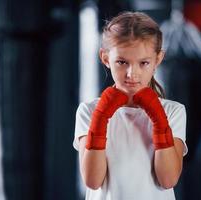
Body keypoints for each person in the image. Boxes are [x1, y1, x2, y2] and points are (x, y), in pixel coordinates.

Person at [73, 11, 187, 200]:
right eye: (122, 62)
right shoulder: (89, 111)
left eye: (143, 63)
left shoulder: (172, 111)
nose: (131, 73)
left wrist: (157, 116)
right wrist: (101, 117)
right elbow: (93, 180)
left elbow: (168, 179)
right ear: (105, 58)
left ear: (157, 60)